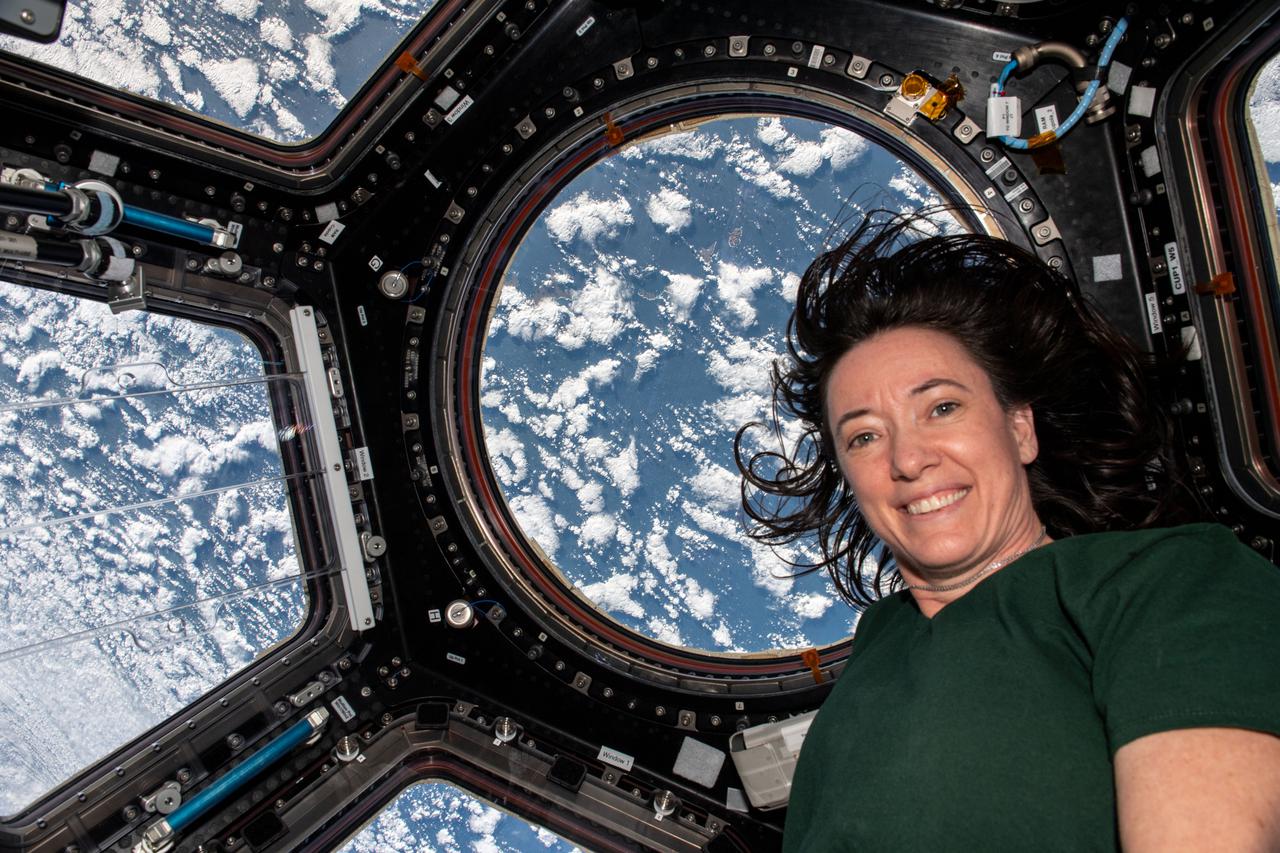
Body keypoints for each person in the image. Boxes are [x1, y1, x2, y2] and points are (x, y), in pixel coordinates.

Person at [735, 212, 1280, 851]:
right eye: (864, 436)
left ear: (1019, 428)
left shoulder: (1167, 577)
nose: (907, 459)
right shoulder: (875, 657)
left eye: (941, 407)